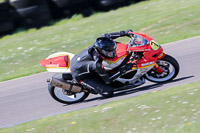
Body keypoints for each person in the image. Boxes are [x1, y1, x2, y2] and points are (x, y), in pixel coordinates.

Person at [70, 30, 134, 98]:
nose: (114, 53)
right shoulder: (97, 64)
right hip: (80, 75)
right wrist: (124, 69)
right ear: (103, 52)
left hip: (79, 61)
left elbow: (106, 36)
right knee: (108, 92)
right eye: (110, 53)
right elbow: (108, 80)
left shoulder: (99, 44)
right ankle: (86, 86)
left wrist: (125, 33)